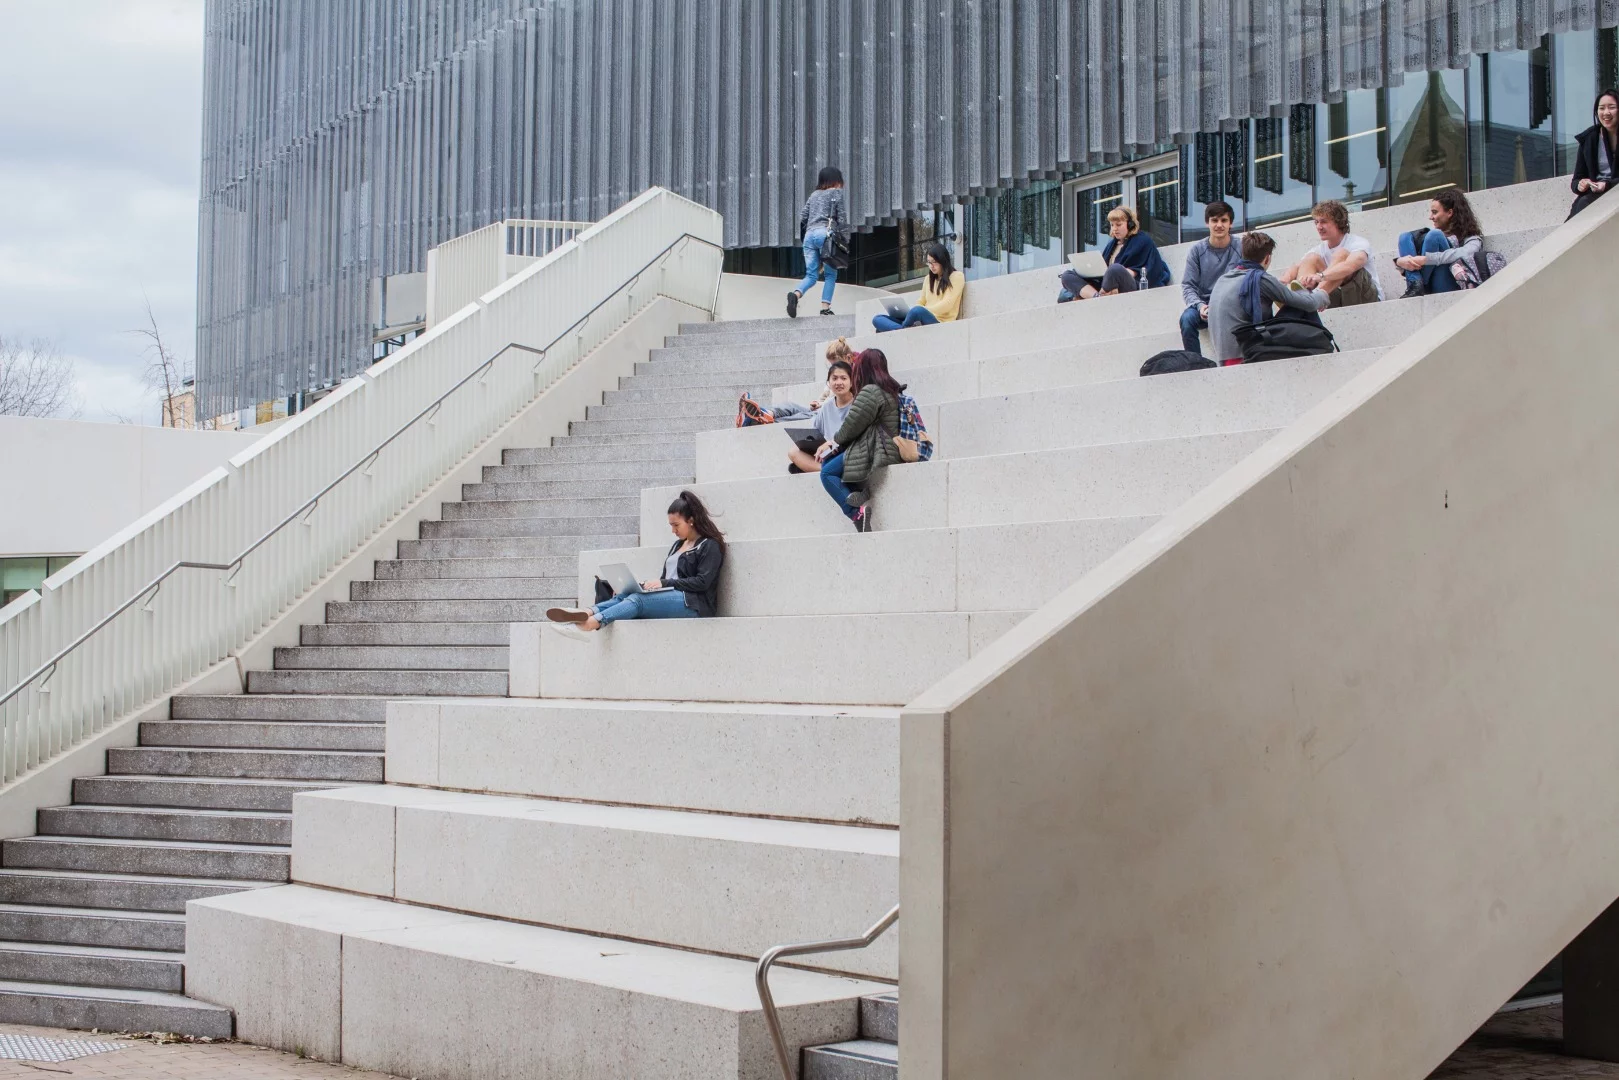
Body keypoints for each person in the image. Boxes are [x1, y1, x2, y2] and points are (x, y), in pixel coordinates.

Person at [545, 491, 726, 632]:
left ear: (691, 520)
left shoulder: (709, 545)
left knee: (637, 600)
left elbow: (703, 582)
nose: (673, 530)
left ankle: (589, 624)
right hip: (674, 597)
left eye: (676, 525)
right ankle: (586, 612)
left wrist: (663, 582)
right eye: (671, 525)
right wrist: (650, 585)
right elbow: (669, 581)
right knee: (626, 595)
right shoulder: (677, 546)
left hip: (694, 605)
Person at [1207, 231, 1330, 365]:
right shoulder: (1260, 278)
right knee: (1303, 304)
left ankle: (1323, 348)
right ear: (1267, 258)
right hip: (1249, 352)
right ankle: (1327, 347)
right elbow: (1308, 304)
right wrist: (1322, 294)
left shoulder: (1223, 279)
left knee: (1302, 302)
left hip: (1224, 359)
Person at [816, 349, 903, 533]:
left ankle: (856, 513)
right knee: (829, 461)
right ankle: (857, 491)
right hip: (885, 446)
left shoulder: (870, 392)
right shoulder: (890, 389)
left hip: (876, 447)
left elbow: (851, 426)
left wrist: (832, 442)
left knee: (826, 473)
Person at [1277, 200, 1383, 307]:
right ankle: (1301, 297)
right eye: (1316, 222)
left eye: (1323, 221)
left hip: (1365, 297)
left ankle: (1310, 298)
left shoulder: (1358, 243)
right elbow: (1297, 266)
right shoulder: (1319, 249)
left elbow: (1350, 266)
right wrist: (1285, 279)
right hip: (1337, 298)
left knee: (1342, 255)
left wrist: (1320, 276)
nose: (1319, 226)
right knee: (1311, 258)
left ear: (1338, 222)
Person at [1057, 206, 1172, 302]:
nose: (1114, 229)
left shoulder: (1142, 241)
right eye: (1112, 225)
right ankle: (1097, 297)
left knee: (1114, 269)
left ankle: (1091, 295)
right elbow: (1102, 269)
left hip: (1130, 285)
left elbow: (1143, 270)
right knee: (1067, 275)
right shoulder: (1112, 245)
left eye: (1118, 224)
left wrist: (1114, 273)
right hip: (1105, 284)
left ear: (1130, 224)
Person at [1393, 189, 1484, 298]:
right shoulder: (1432, 236)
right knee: (1405, 237)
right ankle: (1416, 283)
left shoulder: (1471, 237)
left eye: (1435, 212)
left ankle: (1418, 285)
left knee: (1434, 235)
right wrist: (1399, 262)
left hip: (1451, 284)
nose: (1430, 217)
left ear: (1450, 213)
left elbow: (1466, 253)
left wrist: (1426, 259)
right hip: (1427, 283)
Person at [1177, 201, 1239, 354]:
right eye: (1214, 220)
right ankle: (1195, 363)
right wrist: (1200, 306)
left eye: (1224, 220)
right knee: (1186, 319)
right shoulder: (1197, 251)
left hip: (1232, 304)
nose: (1219, 225)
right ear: (1207, 223)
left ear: (1231, 223)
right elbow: (1188, 285)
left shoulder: (1241, 246)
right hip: (1204, 306)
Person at [788, 166, 847, 318]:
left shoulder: (814, 195)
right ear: (836, 181)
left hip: (809, 236)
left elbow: (803, 216)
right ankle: (825, 308)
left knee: (811, 276)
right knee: (830, 275)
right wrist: (844, 242)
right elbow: (841, 219)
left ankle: (795, 295)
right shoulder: (836, 193)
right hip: (825, 235)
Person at [872, 243, 965, 331]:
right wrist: (910, 314)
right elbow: (921, 301)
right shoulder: (928, 279)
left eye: (934, 262)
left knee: (917, 311)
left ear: (943, 261)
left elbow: (948, 304)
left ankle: (901, 328)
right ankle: (903, 328)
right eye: (929, 262)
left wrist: (922, 311)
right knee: (877, 319)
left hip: (940, 321)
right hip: (920, 319)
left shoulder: (956, 276)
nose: (931, 266)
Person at [785, 359, 855, 473]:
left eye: (843, 378)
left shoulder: (857, 405)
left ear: (851, 382)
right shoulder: (827, 406)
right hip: (826, 453)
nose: (838, 382)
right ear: (829, 382)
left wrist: (832, 445)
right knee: (793, 452)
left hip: (845, 453)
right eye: (834, 378)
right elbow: (815, 433)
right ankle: (823, 469)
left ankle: (814, 468)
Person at [1569, 89, 1619, 219]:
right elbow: (1576, 180)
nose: (1606, 112)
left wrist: (1606, 184)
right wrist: (1581, 185)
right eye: (1601, 108)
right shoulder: (1589, 139)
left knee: (1584, 204)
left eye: (1612, 107)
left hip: (1614, 193)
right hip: (1594, 195)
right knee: (1581, 203)